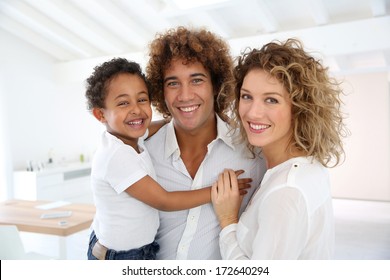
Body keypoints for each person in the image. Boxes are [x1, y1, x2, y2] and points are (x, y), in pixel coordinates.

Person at [84, 57, 251, 260]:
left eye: (142, 99)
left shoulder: (133, 137)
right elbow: (164, 200)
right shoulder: (116, 156)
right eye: (123, 103)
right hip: (121, 256)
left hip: (139, 249)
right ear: (100, 115)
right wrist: (216, 192)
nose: (136, 109)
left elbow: (156, 124)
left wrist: (203, 113)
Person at [211, 38, 349, 259]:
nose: (252, 113)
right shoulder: (309, 166)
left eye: (271, 100)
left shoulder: (286, 192)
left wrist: (228, 221)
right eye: (247, 96)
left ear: (301, 108)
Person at [145, 26, 266, 259]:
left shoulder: (252, 155)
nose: (185, 95)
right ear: (161, 91)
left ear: (216, 85)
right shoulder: (144, 152)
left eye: (196, 80)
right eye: (173, 83)